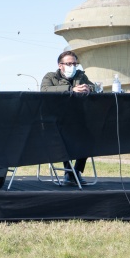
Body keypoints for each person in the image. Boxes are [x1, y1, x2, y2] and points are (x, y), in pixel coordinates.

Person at [40, 50, 94, 185]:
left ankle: (76, 172)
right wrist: (71, 89)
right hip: (56, 119)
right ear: (60, 65)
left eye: (75, 64)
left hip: (78, 119)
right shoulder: (51, 76)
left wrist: (89, 88)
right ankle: (69, 173)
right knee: (67, 137)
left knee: (89, 138)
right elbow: (44, 90)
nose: (73, 66)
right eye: (69, 64)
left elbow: (94, 86)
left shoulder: (81, 75)